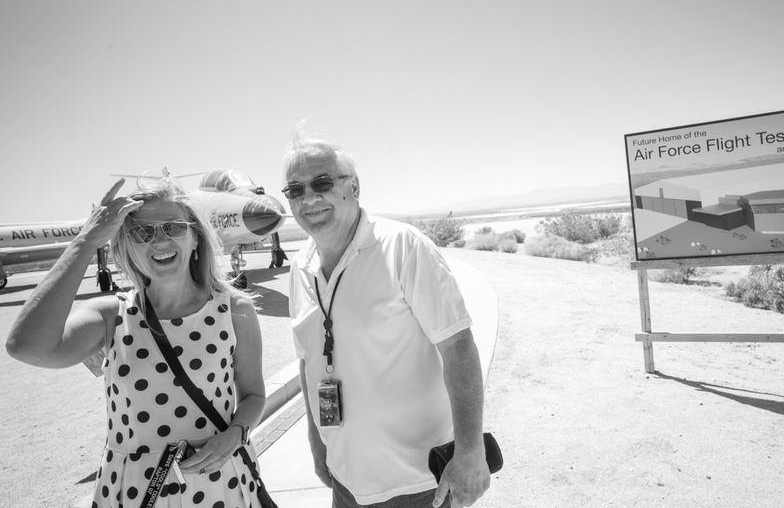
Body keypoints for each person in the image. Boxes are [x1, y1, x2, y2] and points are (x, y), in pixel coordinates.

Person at [6, 178, 267, 507]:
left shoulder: (234, 309)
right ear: (127, 246)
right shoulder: (111, 316)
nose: (159, 240)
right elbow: (25, 346)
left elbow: (254, 395)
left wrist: (236, 434)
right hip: (135, 492)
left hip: (220, 485)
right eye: (143, 232)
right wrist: (87, 241)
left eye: (173, 227)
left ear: (195, 238)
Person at [283, 136, 491, 508]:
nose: (308, 198)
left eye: (322, 183)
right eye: (295, 189)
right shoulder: (300, 267)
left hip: (418, 484)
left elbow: (458, 347)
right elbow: (308, 363)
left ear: (354, 186)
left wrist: (471, 451)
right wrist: (318, 446)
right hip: (345, 483)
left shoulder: (404, 247)